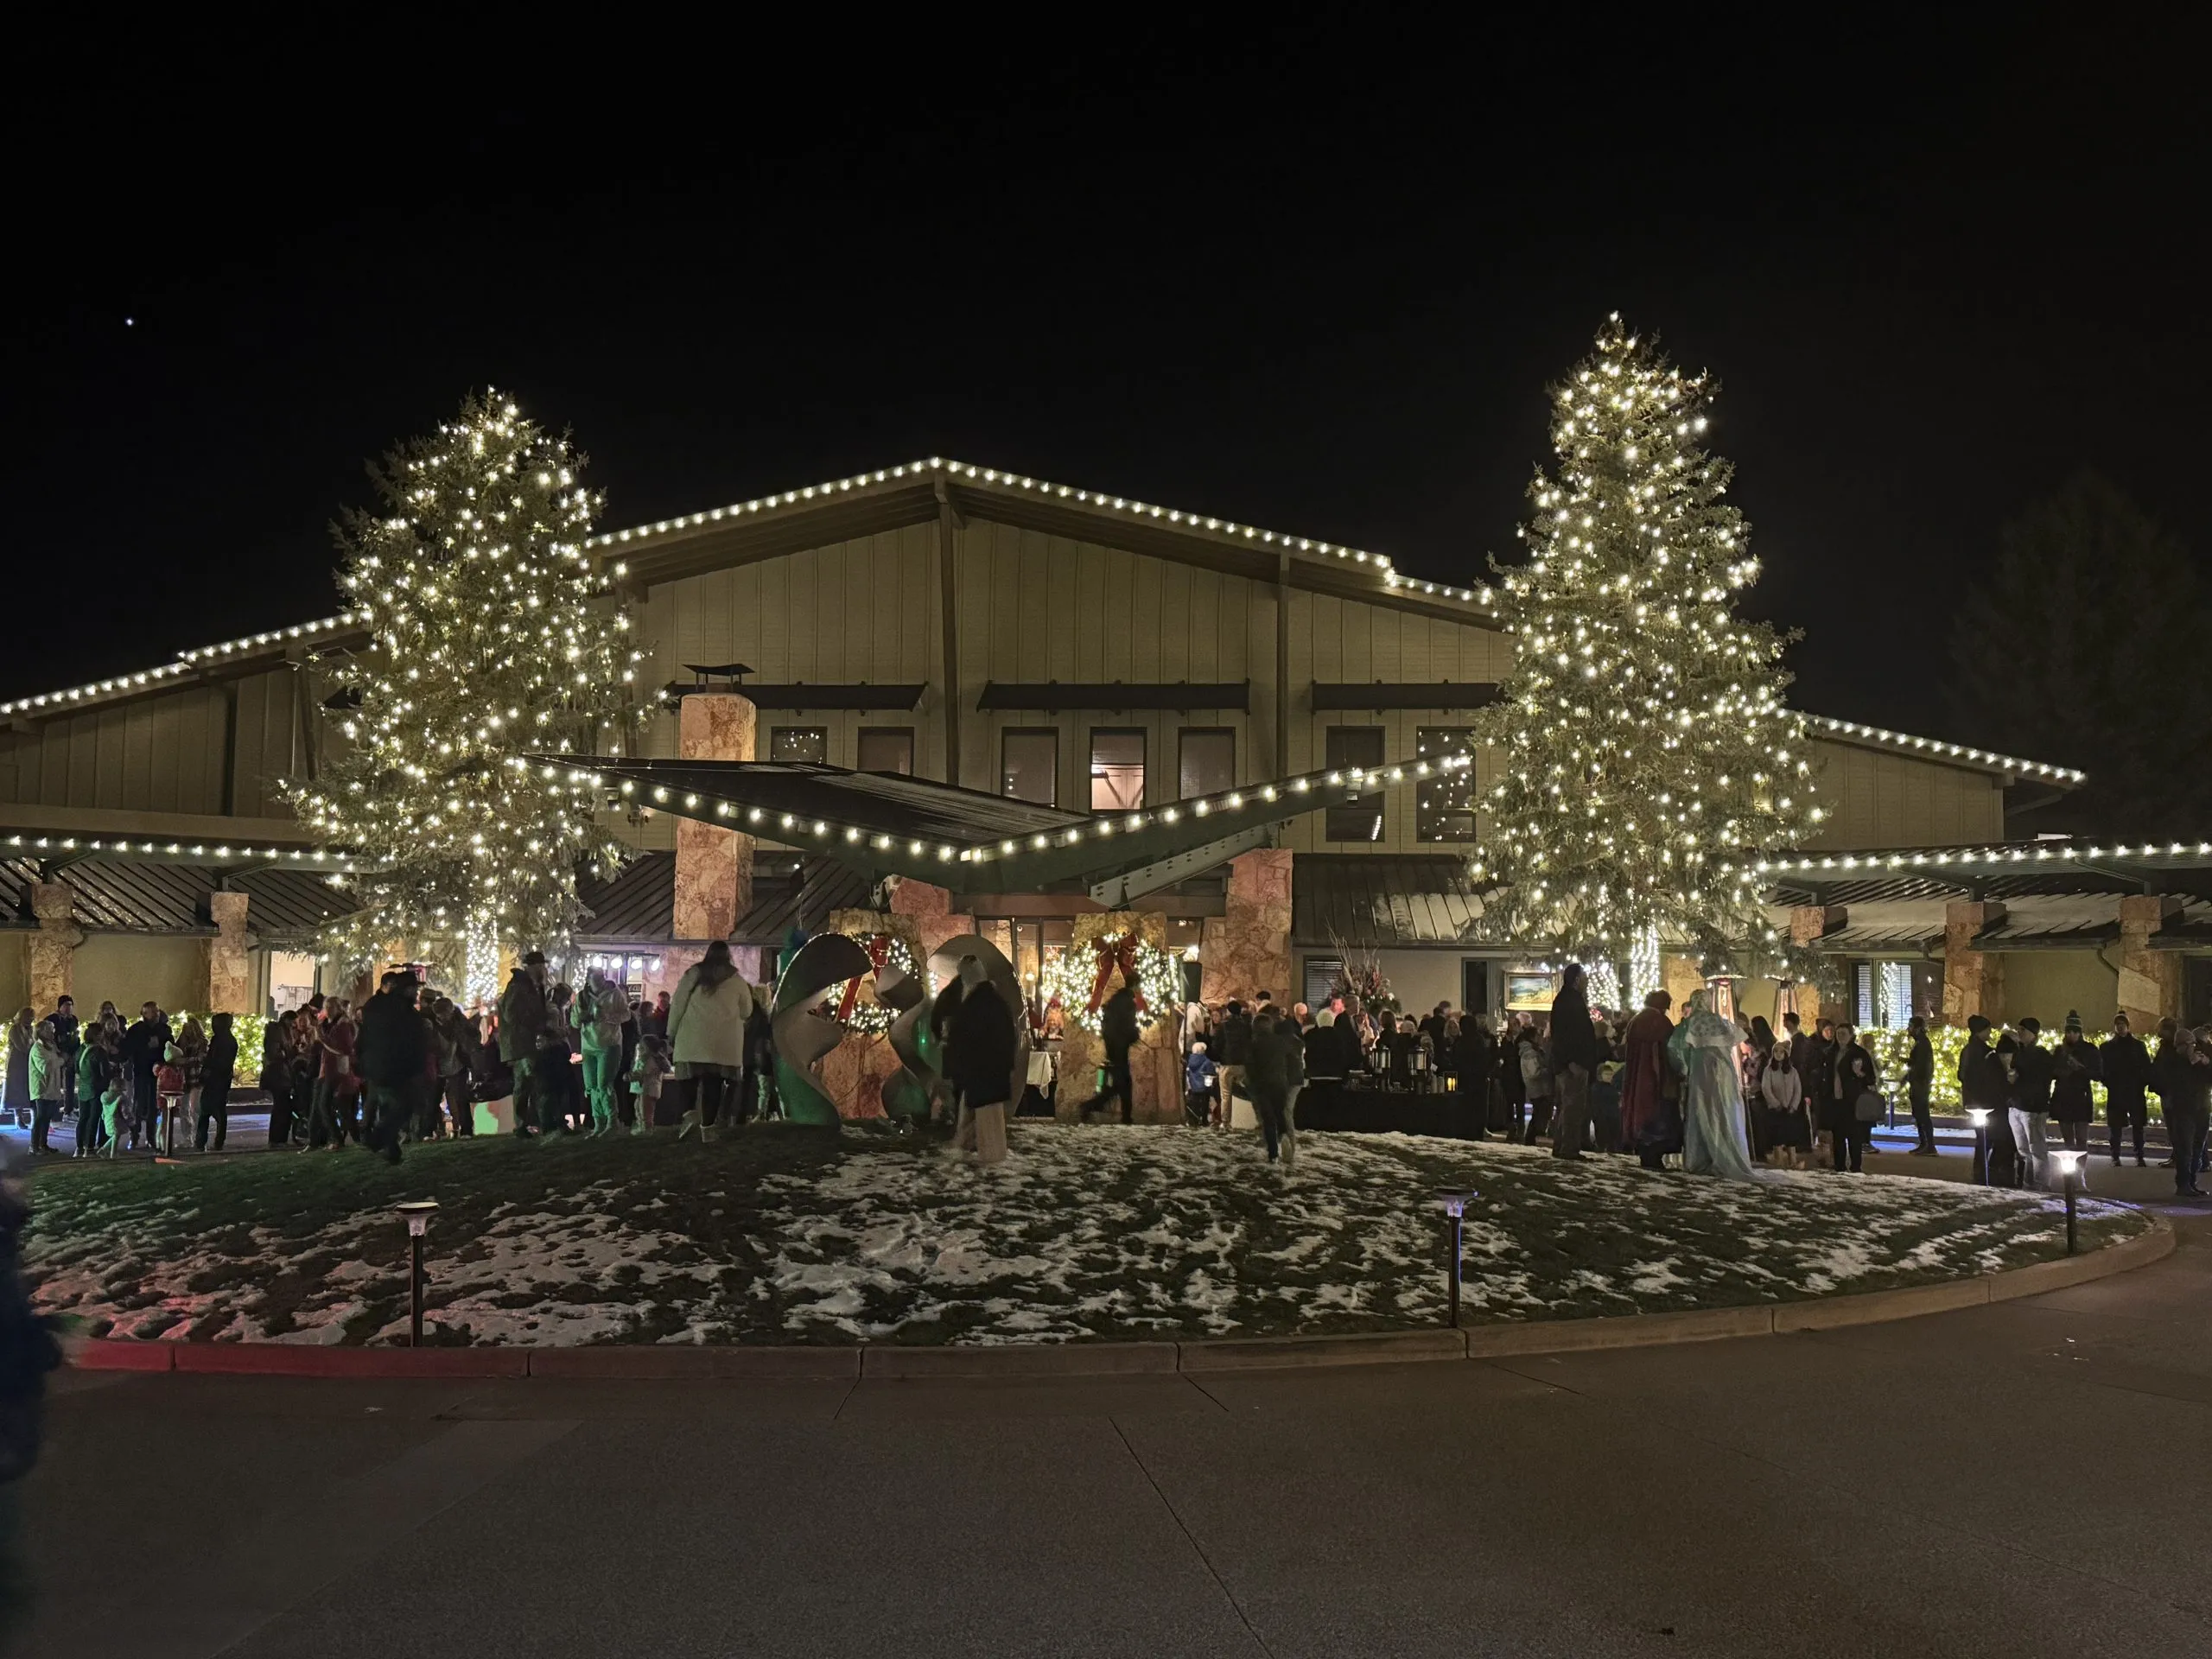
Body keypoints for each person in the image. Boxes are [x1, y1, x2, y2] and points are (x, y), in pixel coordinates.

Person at [668, 940, 753, 1142]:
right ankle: (707, 1129)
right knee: (713, 1085)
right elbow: (747, 1011)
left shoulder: (694, 975)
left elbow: (678, 1003)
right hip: (723, 1043)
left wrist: (671, 1032)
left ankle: (690, 1113)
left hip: (692, 1037)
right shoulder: (737, 981)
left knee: (687, 1080)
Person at [1670, 991, 1758, 1179]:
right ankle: (1723, 1152)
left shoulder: (1690, 1023)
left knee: (1702, 1110)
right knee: (1723, 1111)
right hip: (1724, 1075)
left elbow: (1676, 1048)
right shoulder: (1719, 1021)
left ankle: (1702, 1157)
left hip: (1702, 1074)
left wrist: (1683, 1070)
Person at [944, 956, 1017, 1165]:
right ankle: (964, 1146)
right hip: (989, 1070)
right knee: (975, 1111)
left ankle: (991, 1156)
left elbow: (969, 1037)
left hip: (984, 1070)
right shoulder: (992, 1000)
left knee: (987, 1116)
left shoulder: (978, 1003)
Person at [356, 971, 427, 1163]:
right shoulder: (404, 1011)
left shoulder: (375, 1006)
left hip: (375, 1066)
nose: (417, 992)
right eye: (415, 988)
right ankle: (377, 1139)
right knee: (403, 1107)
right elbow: (411, 1042)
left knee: (388, 1107)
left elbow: (364, 1036)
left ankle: (391, 1150)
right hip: (395, 1067)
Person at [1618, 990, 1679, 1170]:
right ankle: (1654, 1154)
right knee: (1656, 1113)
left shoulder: (1635, 1021)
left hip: (1637, 1075)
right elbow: (1670, 1049)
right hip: (1655, 1076)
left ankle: (1644, 1151)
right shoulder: (1660, 1022)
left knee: (1640, 1111)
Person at [1548, 965, 1605, 1159]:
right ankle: (1568, 1147)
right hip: (1573, 1064)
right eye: (1585, 978)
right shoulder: (1570, 1002)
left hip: (1570, 1063)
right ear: (1577, 980)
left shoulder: (1566, 1000)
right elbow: (1567, 1035)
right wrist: (1572, 1061)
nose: (1587, 981)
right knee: (1573, 1107)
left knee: (1567, 1106)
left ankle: (1562, 1145)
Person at [498, 951, 553, 1136]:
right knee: (527, 1083)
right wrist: (534, 1024)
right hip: (521, 1043)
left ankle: (532, 1123)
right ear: (533, 967)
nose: (544, 969)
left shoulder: (532, 986)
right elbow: (511, 1014)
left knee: (531, 1083)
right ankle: (524, 1125)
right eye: (541, 966)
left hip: (527, 1042)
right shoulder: (519, 986)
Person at [2151, 1027, 2209, 1198]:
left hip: (2202, 1109)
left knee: (2198, 1148)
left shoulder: (2198, 1061)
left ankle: (2192, 1182)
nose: (2193, 1047)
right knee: (2185, 1149)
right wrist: (2188, 1065)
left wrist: (2207, 1064)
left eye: (2194, 1043)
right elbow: (2167, 1082)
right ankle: (2183, 1184)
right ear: (2181, 1046)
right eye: (2190, 1044)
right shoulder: (2172, 1061)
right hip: (2183, 1110)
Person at [1824, 1022, 1882, 1173]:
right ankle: (1840, 1166)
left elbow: (1870, 1078)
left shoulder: (1859, 1053)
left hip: (1852, 1100)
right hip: (1835, 1098)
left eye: (1844, 1034)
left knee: (1854, 1135)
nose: (1841, 1037)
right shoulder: (1831, 1052)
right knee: (1838, 1136)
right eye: (1838, 1034)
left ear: (1851, 1036)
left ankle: (1856, 1167)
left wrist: (1859, 1074)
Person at [1080, 983, 1141, 1125]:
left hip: (1113, 1051)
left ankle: (1125, 1117)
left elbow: (1109, 1031)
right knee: (1121, 1085)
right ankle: (1090, 1106)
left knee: (1120, 1085)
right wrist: (1134, 1035)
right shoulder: (1128, 1006)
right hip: (1120, 1050)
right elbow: (1128, 1029)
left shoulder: (1111, 1007)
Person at [576, 969, 626, 1135]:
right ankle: (598, 1123)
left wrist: (608, 1016)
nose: (599, 981)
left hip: (609, 1044)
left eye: (601, 978)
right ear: (588, 980)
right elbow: (574, 1021)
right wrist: (582, 1017)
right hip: (588, 1045)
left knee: (604, 1084)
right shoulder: (582, 997)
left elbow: (626, 1015)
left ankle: (612, 1122)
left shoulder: (614, 993)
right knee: (591, 1086)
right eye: (595, 979)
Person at [2099, 1013, 2151, 1168]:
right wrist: (2109, 1082)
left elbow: (2146, 1067)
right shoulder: (2107, 1047)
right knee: (2115, 1127)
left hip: (2134, 1090)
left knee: (2138, 1127)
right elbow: (2103, 1069)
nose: (2120, 1027)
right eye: (2118, 1024)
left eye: (2122, 1024)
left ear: (2127, 1026)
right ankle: (2115, 1156)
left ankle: (2139, 1156)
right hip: (2116, 1090)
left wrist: (2142, 1082)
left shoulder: (2138, 1046)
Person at [1245, 1009, 1295, 1165]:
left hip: (1263, 1084)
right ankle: (1285, 1136)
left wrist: (1251, 1083)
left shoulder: (1254, 1044)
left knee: (1268, 1119)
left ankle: (1273, 1153)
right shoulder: (1280, 1041)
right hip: (1280, 1083)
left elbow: (1250, 1066)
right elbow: (1291, 1060)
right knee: (1280, 1113)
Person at [119, 1002, 171, 1151]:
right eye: (150, 1012)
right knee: (138, 1106)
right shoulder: (136, 1030)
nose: (155, 1015)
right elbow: (128, 1049)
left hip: (158, 1073)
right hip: (141, 1072)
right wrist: (146, 1045)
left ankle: (151, 1138)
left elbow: (170, 1047)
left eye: (156, 1012)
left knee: (154, 1107)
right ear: (143, 1014)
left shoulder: (164, 1030)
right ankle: (134, 1137)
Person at [308, 998, 359, 1149]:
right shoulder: (329, 1024)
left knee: (327, 1105)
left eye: (331, 1007)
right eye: (326, 1006)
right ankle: (342, 1138)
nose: (328, 1009)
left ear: (338, 1008)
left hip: (336, 1071)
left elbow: (344, 1049)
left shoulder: (343, 1026)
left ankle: (338, 1139)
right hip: (327, 1069)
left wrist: (322, 1038)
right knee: (335, 1108)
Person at [2012, 1017, 2055, 1187]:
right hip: (2017, 1105)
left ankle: (2041, 1183)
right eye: (2019, 1029)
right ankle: (2028, 1182)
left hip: (2033, 1107)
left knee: (2036, 1149)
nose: (2019, 1033)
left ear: (2033, 1034)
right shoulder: (2018, 1053)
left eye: (2023, 1030)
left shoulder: (2042, 1055)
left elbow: (2043, 1080)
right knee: (2023, 1150)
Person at [2051, 1011, 2100, 1154]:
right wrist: (2062, 1071)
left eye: (2075, 1032)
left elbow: (2098, 1074)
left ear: (2080, 1033)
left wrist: (2080, 1068)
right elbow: (2051, 1071)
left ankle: (2079, 1173)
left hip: (2081, 1098)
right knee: (2068, 1141)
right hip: (2063, 1097)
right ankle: (2069, 1174)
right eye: (2069, 1032)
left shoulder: (2090, 1050)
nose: (2072, 1035)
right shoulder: (2060, 1051)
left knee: (2081, 1139)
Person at [1759, 1037, 1809, 1160]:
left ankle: (1792, 1161)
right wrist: (1775, 1104)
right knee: (1777, 1137)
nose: (1778, 1054)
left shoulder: (1792, 1071)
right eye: (1776, 1051)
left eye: (1781, 1052)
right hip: (1775, 1109)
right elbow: (1766, 1088)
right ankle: (1779, 1161)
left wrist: (1793, 1105)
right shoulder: (1769, 1071)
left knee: (1791, 1137)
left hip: (1789, 1109)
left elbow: (1798, 1089)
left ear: (1786, 1054)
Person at [195, 1014, 238, 1152]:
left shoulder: (223, 1041)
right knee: (209, 1111)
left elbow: (219, 1061)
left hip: (217, 1080)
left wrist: (207, 1065)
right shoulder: (226, 1040)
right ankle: (206, 1141)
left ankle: (207, 1141)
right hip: (218, 1080)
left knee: (213, 1111)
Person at [1211, 1000, 1251, 1130]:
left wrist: (1217, 1058)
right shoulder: (1246, 1025)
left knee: (1226, 1094)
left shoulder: (1223, 1026)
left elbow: (1217, 1045)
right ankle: (1246, 1119)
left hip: (1227, 1064)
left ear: (1228, 1011)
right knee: (1245, 1091)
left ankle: (1226, 1122)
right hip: (1242, 1064)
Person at [261, 1011, 299, 1147]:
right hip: (278, 1075)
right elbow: (276, 1053)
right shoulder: (278, 1032)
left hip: (282, 1074)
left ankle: (279, 1138)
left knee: (283, 1107)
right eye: (293, 1021)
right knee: (281, 1107)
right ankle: (277, 1139)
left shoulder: (283, 1031)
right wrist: (289, 1053)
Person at [25, 1020, 63, 1156]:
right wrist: (61, 1060)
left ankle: (43, 1144)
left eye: (52, 1029)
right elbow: (45, 1069)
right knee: (40, 1117)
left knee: (47, 1117)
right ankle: (34, 1146)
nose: (52, 1032)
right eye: (48, 1029)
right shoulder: (37, 1048)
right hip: (41, 1088)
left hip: (52, 1087)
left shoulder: (52, 1046)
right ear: (40, 1032)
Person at [49, 996, 79, 1152]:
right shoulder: (52, 1019)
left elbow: (75, 1036)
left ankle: (68, 1110)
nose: (68, 1008)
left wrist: (74, 1054)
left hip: (70, 1056)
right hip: (58, 1055)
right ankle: (54, 1114)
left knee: (69, 1083)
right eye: (66, 1005)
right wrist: (60, 1053)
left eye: (70, 1005)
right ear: (60, 1006)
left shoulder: (73, 1019)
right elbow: (51, 1038)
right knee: (55, 1084)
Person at [1904, 1014, 1937, 1155]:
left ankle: (1929, 1145)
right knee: (1920, 1115)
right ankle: (1924, 1143)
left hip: (1920, 1085)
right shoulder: (1921, 1043)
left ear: (1917, 1028)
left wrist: (1911, 1075)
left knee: (1922, 1115)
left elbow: (1922, 1066)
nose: (1908, 1029)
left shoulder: (1923, 1044)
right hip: (1919, 1083)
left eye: (1911, 1026)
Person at [1516, 1025, 1552, 1144]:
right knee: (1538, 1114)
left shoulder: (1534, 1051)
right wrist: (1547, 1070)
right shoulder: (1530, 1053)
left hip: (1539, 1087)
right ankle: (1530, 1138)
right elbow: (1533, 1072)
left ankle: (1531, 1138)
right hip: (1537, 1087)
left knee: (1539, 1113)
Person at [2, 1011, 27, 1138]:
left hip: (27, 1062)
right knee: (16, 1088)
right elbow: (22, 1046)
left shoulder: (30, 1029)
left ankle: (28, 1115)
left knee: (25, 1088)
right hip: (16, 1062)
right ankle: (18, 1117)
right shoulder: (14, 1030)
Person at [1184, 1039, 1218, 1127]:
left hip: (1194, 1088)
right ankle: (1204, 1120)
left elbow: (1188, 1073)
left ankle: (1194, 1120)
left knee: (1195, 1103)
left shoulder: (1190, 1061)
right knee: (1205, 1104)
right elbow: (1211, 1073)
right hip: (1205, 1088)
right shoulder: (1207, 1061)